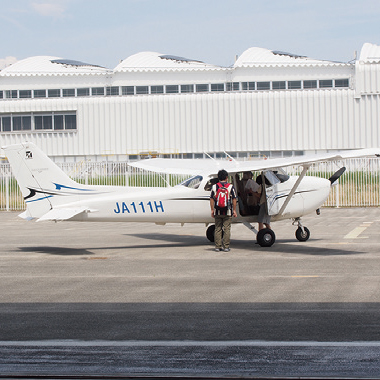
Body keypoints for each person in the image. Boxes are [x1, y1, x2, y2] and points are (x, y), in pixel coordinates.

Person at [210, 169, 237, 252]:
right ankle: (226, 246)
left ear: (218, 177)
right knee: (227, 229)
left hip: (218, 211)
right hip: (227, 211)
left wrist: (212, 210)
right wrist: (234, 210)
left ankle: (217, 246)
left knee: (218, 228)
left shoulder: (214, 186)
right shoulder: (230, 186)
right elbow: (234, 199)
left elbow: (211, 199)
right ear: (226, 177)